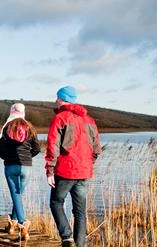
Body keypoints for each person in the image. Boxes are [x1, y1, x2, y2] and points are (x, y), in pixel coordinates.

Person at [45, 86, 101, 247]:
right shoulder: (89, 120)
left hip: (65, 171)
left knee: (56, 202)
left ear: (63, 99)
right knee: (80, 212)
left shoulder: (60, 118)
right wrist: (88, 163)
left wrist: (49, 170)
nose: (55, 100)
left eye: (57, 98)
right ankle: (80, 244)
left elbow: (52, 146)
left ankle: (67, 238)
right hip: (84, 172)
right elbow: (97, 148)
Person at [0, 103, 40, 240]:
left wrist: (7, 157)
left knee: (16, 195)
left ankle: (22, 224)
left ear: (11, 112)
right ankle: (11, 226)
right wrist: (28, 157)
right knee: (18, 196)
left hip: (11, 166)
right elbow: (37, 148)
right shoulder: (30, 128)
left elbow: (1, 150)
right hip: (26, 167)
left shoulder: (7, 128)